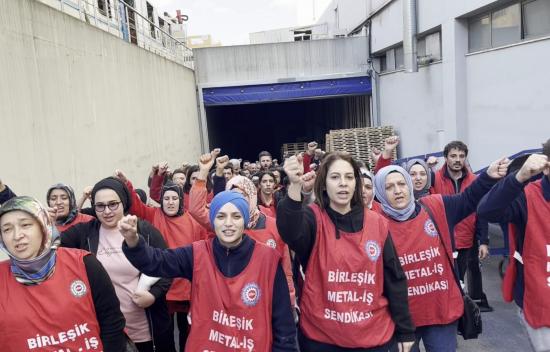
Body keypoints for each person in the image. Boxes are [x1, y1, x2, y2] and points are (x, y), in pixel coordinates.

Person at [120, 191, 298, 351]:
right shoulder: (197, 253)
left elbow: (284, 326)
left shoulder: (268, 259)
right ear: (212, 220)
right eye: (221, 216)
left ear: (245, 220)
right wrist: (134, 241)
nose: (228, 223)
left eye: (236, 216)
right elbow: (157, 262)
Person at [277, 152, 415, 351]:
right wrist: (295, 185)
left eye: (349, 177)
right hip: (322, 339)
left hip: (375, 337)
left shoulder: (377, 223)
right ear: (323, 184)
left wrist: (405, 330)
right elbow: (289, 231)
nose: (343, 183)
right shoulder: (312, 218)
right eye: (335, 177)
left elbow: (394, 278)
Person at [373, 157, 508, 351]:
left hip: (441, 312)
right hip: (401, 319)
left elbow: (468, 198)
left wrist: (487, 177)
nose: (397, 190)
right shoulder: (376, 224)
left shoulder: (436, 206)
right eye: (389, 187)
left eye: (402, 183)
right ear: (380, 192)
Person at [60, 177, 175, 352]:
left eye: (113, 204)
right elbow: (50, 245)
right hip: (108, 332)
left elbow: (166, 267)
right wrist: (46, 224)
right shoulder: (84, 233)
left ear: (124, 202)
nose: (107, 211)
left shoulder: (145, 231)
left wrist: (153, 295)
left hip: (147, 329)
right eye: (100, 206)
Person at [0, 196, 127, 351]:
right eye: (7, 229)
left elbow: (112, 324)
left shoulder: (84, 264)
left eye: (25, 225)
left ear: (43, 226)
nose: (17, 235)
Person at [115, 169, 208, 350]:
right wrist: (127, 184)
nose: (170, 202)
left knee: (187, 330)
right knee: (164, 332)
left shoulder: (193, 221)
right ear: (161, 200)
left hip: (187, 288)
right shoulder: (154, 215)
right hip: (161, 288)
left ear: (181, 200)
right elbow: (136, 206)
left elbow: (203, 252)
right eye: (166, 198)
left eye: (174, 198)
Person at [190, 153, 297, 309]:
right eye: (233, 196)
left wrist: (290, 301)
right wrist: (203, 173)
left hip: (266, 299)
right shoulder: (224, 224)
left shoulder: (273, 225)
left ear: (252, 195)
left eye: (243, 196)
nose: (238, 202)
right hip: (231, 299)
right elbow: (196, 209)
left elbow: (285, 268)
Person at [477, 142, 550, 352]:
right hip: (539, 303)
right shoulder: (527, 197)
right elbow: (487, 211)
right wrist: (519, 177)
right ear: (546, 167)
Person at [431, 141, 492, 312]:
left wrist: (483, 241)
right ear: (445, 158)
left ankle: (457, 313)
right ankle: (442, 310)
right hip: (441, 241)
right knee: (442, 279)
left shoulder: (475, 181)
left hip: (465, 242)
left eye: (461, 156)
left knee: (459, 280)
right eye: (453, 156)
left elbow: (482, 212)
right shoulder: (434, 179)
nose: (458, 160)